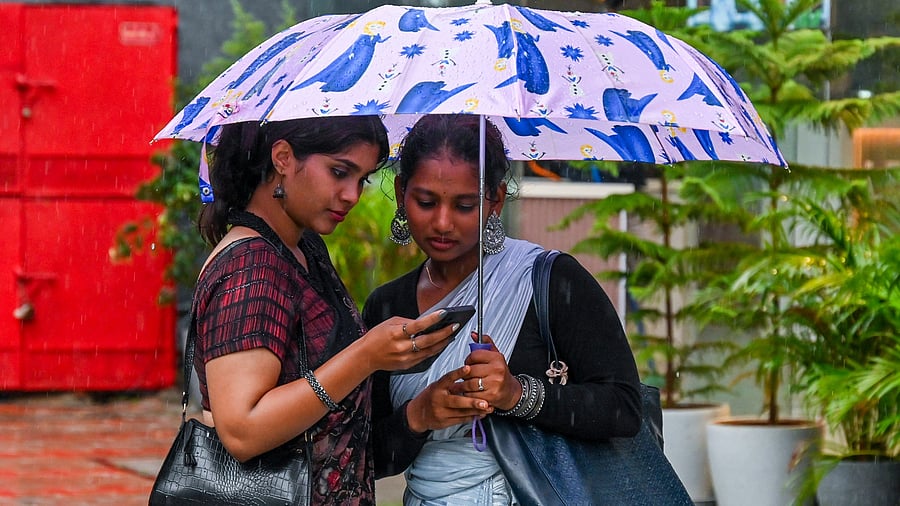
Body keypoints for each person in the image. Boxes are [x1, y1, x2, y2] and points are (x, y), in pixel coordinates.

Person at [362, 114, 643, 505]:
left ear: (494, 199)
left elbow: (625, 409)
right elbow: (364, 458)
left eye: (464, 205)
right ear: (401, 191)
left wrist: (517, 394)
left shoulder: (548, 280)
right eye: (426, 202)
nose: (442, 223)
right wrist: (418, 416)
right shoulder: (387, 306)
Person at [191, 116, 458, 505]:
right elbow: (242, 431)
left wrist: (418, 414)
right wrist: (366, 356)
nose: (352, 194)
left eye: (362, 179)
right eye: (339, 172)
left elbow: (330, 424)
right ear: (282, 157)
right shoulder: (252, 266)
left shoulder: (304, 249)